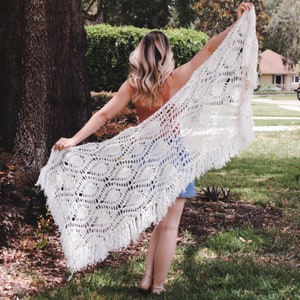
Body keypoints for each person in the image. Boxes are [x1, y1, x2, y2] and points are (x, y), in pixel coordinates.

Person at [53, 2, 253, 295]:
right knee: (170, 226)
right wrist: (238, 24)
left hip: (147, 158)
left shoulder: (133, 85)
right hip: (172, 155)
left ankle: (147, 276)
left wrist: (73, 140)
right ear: (166, 54)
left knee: (160, 221)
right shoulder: (177, 79)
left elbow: (103, 115)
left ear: (141, 54)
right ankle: (158, 286)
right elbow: (210, 49)